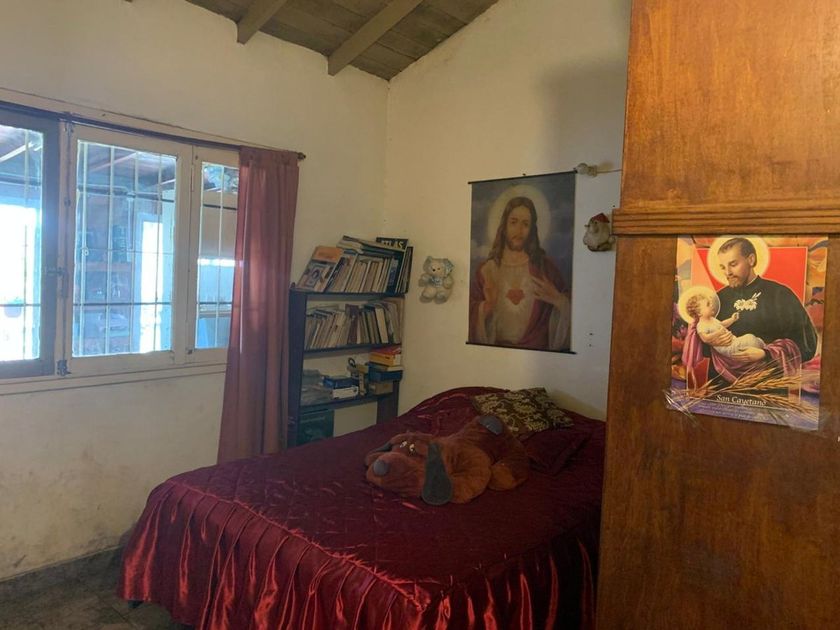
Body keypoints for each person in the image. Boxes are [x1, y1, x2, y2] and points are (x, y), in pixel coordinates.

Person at [695, 237, 817, 384]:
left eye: (733, 264)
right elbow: (699, 346)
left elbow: (807, 344)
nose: (727, 272)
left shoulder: (780, 294)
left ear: (751, 260)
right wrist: (708, 341)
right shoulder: (717, 300)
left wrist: (765, 354)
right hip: (722, 387)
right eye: (722, 267)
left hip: (766, 386)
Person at [469, 196, 570, 350]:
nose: (519, 230)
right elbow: (468, 312)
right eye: (514, 222)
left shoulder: (545, 268)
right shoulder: (486, 270)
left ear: (532, 230)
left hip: (539, 353)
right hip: (492, 355)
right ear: (504, 226)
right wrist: (487, 306)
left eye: (525, 224)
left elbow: (573, 309)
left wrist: (559, 300)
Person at [684, 291, 767, 358]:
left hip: (733, 341)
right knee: (750, 339)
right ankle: (762, 348)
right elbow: (705, 339)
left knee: (752, 338)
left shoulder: (712, 319)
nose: (712, 305)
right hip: (727, 348)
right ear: (699, 313)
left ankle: (763, 348)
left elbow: (722, 324)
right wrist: (717, 333)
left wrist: (732, 319)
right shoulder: (701, 325)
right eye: (708, 304)